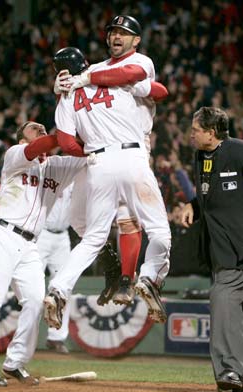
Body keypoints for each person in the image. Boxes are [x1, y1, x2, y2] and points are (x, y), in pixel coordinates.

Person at [44, 29, 171, 331]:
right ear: (86, 62)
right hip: (131, 157)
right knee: (159, 230)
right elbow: (158, 89)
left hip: (97, 163)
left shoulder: (69, 94)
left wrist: (67, 89)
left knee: (91, 239)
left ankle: (59, 288)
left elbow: (63, 139)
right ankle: (149, 278)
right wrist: (86, 79)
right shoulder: (115, 77)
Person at [0, 121, 87, 387]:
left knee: (35, 300)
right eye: (35, 128)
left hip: (31, 244)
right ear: (22, 138)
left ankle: (15, 361)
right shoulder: (14, 155)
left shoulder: (56, 166)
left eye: (44, 128)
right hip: (1, 233)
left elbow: (89, 155)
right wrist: (60, 136)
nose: (42, 130)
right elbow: (39, 146)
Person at [180, 106, 243, 392]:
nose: (190, 134)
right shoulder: (200, 155)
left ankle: (232, 369)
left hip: (237, 244)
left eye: (195, 130)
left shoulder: (237, 151)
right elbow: (206, 191)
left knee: (223, 299)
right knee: (223, 300)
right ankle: (231, 370)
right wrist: (192, 205)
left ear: (212, 132)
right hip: (224, 251)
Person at [36, 184, 73, 354]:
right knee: (33, 285)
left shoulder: (78, 178)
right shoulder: (53, 172)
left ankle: (56, 338)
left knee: (64, 287)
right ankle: (25, 337)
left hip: (63, 237)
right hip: (42, 234)